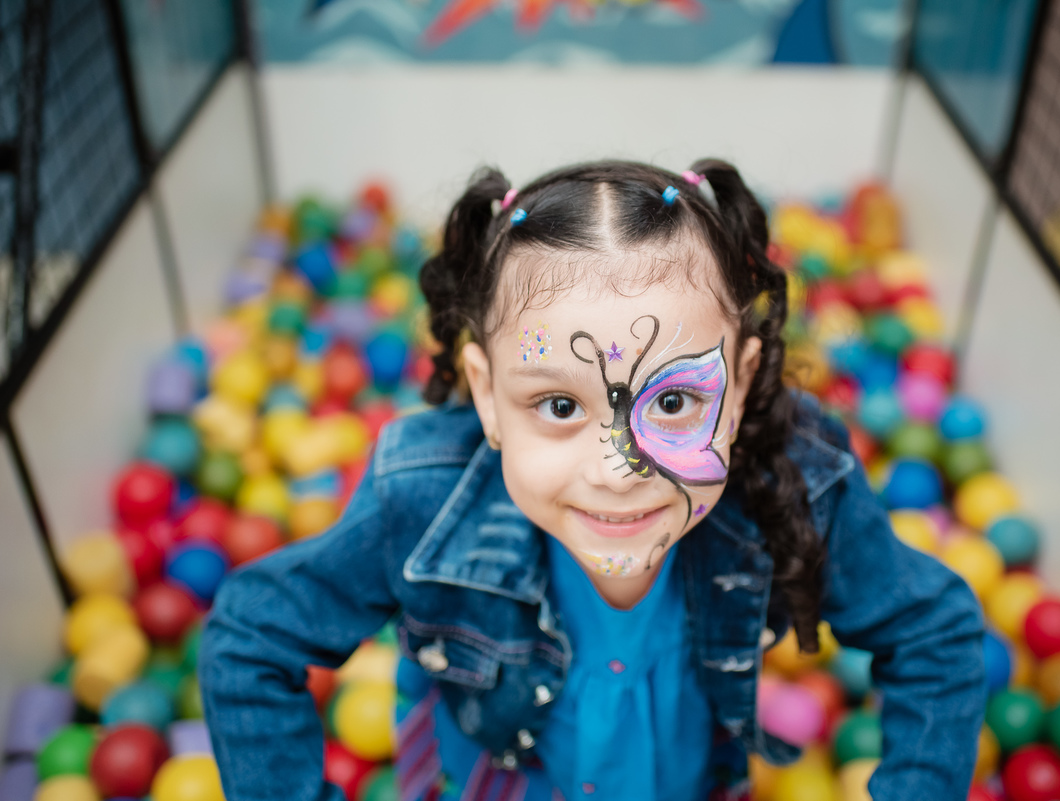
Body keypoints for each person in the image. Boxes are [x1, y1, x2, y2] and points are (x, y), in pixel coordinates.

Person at [199, 159, 986, 801]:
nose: (619, 470)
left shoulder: (796, 484)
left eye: (674, 400)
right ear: (486, 396)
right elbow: (249, 635)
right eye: (558, 403)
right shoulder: (423, 497)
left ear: (741, 384)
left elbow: (937, 631)